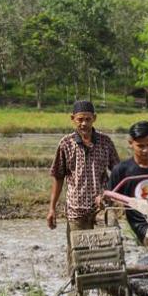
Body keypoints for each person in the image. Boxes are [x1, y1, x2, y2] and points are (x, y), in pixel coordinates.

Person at [48, 100, 121, 270]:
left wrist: (109, 194)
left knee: (114, 243)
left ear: (94, 118)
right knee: (77, 256)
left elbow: (117, 173)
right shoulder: (65, 144)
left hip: (102, 207)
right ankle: (76, 291)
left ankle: (115, 285)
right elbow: (58, 176)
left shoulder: (105, 142)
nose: (84, 124)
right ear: (73, 119)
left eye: (88, 119)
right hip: (76, 208)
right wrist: (51, 208)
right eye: (80, 119)